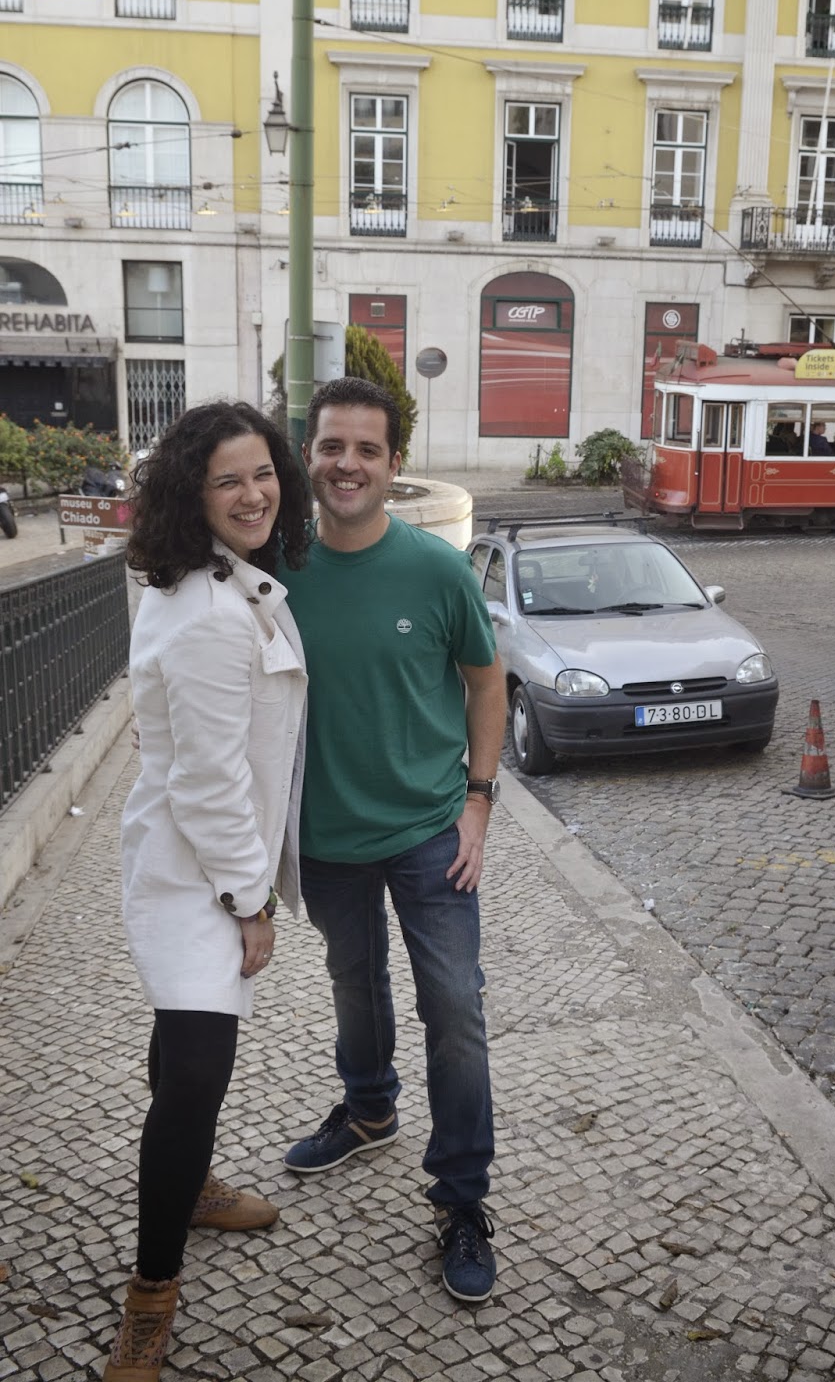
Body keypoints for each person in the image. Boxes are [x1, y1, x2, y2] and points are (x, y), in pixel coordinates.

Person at [278, 377, 508, 1304]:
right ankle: (370, 1109)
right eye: (332, 446)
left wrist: (479, 803)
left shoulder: (437, 570)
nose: (347, 465)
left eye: (366, 450)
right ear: (309, 456)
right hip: (325, 833)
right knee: (353, 981)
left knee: (454, 1009)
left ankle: (461, 1198)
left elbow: (486, 684)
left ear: (393, 464)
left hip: (427, 832)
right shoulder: (273, 570)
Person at [105, 402, 311, 1382]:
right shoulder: (208, 614)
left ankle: (187, 1188)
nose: (252, 493)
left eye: (263, 472)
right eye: (228, 479)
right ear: (193, 494)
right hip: (198, 877)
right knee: (196, 1076)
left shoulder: (208, 579)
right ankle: (152, 1293)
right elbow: (208, 782)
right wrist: (250, 903)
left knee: (181, 1056)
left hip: (190, 862)